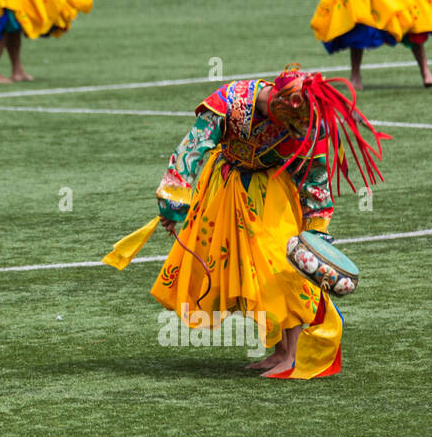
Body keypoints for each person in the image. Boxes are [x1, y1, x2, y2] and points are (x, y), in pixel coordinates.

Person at [105, 66, 387, 379]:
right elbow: (191, 149)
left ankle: (292, 355)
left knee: (281, 265)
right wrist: (173, 200)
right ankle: (280, 350)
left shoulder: (308, 123)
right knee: (243, 267)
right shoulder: (232, 102)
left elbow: (314, 176)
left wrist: (317, 231)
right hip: (225, 185)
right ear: (280, 102)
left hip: (273, 190)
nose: (299, 128)